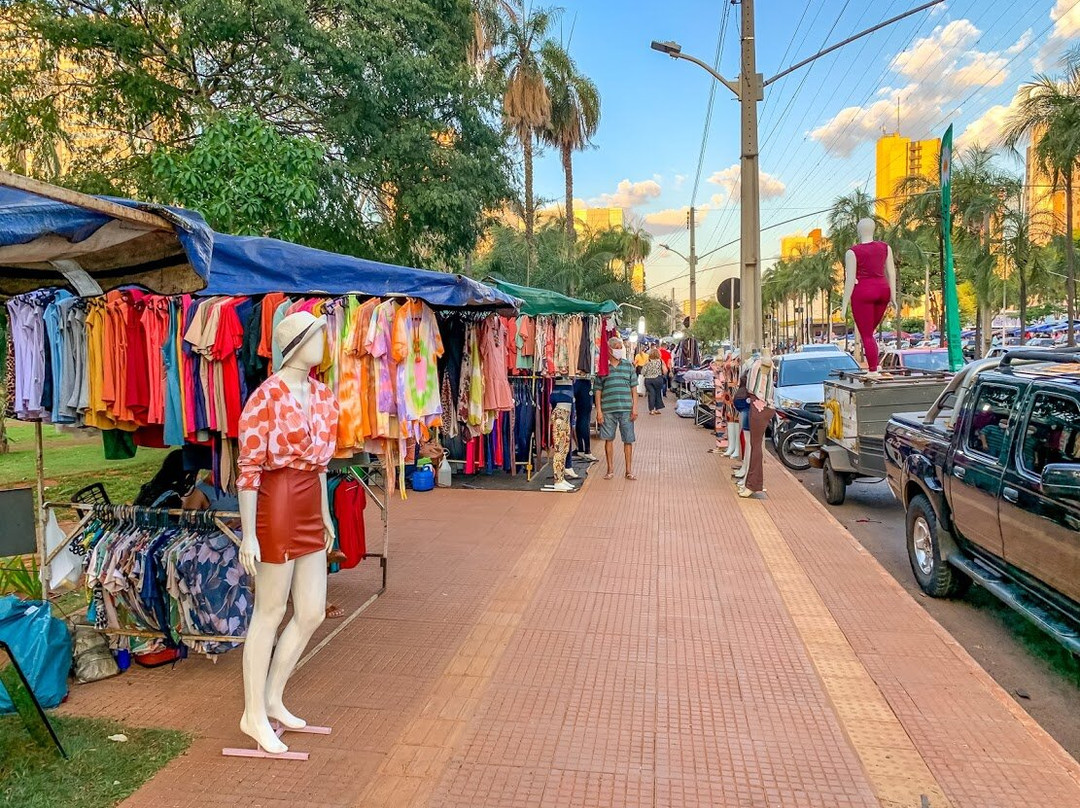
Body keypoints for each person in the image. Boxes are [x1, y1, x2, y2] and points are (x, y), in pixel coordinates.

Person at [595, 336, 638, 480]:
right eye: (617, 348)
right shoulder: (603, 368)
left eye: (621, 348)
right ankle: (610, 469)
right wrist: (599, 411)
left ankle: (628, 470)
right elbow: (598, 391)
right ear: (610, 349)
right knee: (608, 439)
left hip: (626, 408)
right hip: (608, 409)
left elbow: (634, 389)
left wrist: (635, 408)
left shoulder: (628, 366)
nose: (620, 351)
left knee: (628, 439)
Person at [642, 348, 666, 415]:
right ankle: (657, 409)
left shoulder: (648, 361)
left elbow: (643, 371)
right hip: (658, 379)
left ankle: (651, 410)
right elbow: (665, 371)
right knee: (658, 393)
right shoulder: (661, 361)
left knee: (651, 394)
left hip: (648, 380)